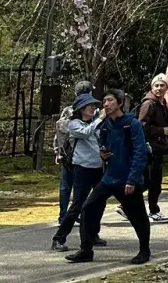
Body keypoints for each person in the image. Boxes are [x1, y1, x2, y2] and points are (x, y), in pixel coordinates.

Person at [65, 89, 152, 265]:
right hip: (109, 177)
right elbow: (103, 145)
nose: (105, 104)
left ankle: (144, 250)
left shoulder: (131, 124)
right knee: (87, 209)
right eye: (104, 101)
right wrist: (105, 153)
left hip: (127, 178)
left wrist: (132, 179)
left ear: (120, 103)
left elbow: (140, 153)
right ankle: (86, 249)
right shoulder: (105, 125)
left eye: (110, 100)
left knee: (137, 216)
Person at [51, 93, 108, 252]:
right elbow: (86, 133)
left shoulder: (95, 123)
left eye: (94, 106)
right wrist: (100, 119)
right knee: (77, 205)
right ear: (80, 109)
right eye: (89, 105)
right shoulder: (74, 124)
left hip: (98, 167)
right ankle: (59, 238)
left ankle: (92, 234)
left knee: (99, 202)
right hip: (82, 168)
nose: (93, 108)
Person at [51, 79, 95, 227]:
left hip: (65, 154)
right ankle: (76, 215)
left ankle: (63, 216)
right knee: (80, 189)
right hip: (80, 155)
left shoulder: (68, 109)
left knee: (65, 187)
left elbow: (58, 133)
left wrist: (57, 152)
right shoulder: (88, 111)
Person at [136, 73, 168, 223]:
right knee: (152, 181)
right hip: (150, 148)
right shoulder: (149, 104)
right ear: (152, 87)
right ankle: (152, 210)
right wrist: (161, 131)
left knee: (150, 181)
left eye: (162, 85)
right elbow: (141, 125)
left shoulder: (161, 103)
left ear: (166, 87)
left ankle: (128, 205)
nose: (159, 88)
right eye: (156, 85)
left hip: (158, 147)